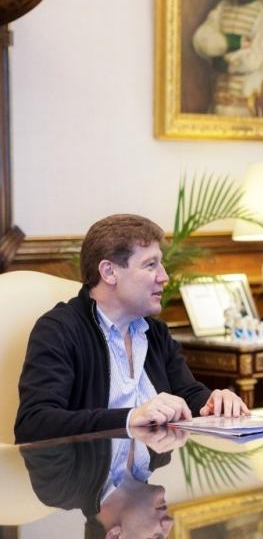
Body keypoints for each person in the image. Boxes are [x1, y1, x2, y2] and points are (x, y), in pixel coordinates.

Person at [14, 214, 250, 444]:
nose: (164, 276)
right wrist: (131, 417)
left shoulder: (155, 332)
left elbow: (187, 394)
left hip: (151, 480)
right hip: (84, 481)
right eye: (150, 265)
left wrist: (214, 401)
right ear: (109, 272)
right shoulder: (59, 331)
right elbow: (34, 423)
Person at [22, 426, 187, 538]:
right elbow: (182, 385)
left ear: (115, 535)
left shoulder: (59, 486)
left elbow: (39, 423)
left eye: (156, 537)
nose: (169, 523)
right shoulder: (162, 450)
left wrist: (130, 420)